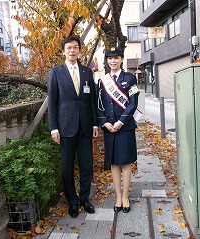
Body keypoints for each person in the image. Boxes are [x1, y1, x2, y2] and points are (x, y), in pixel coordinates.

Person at [48, 35, 99, 218]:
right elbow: (52, 103)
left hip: (85, 127)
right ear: (63, 51)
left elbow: (91, 100)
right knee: (67, 167)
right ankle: (73, 201)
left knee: (87, 166)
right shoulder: (56, 72)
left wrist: (95, 123)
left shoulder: (87, 72)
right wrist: (53, 128)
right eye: (69, 48)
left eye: (75, 47)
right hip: (65, 127)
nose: (72, 51)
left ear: (79, 50)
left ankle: (85, 199)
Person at [97, 46, 139, 213]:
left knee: (126, 163)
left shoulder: (130, 78)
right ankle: (118, 196)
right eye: (110, 58)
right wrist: (104, 123)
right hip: (109, 129)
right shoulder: (102, 81)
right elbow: (98, 105)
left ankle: (126, 197)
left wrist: (121, 122)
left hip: (125, 128)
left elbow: (133, 103)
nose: (113, 61)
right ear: (107, 61)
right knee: (114, 163)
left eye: (116, 57)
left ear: (121, 59)